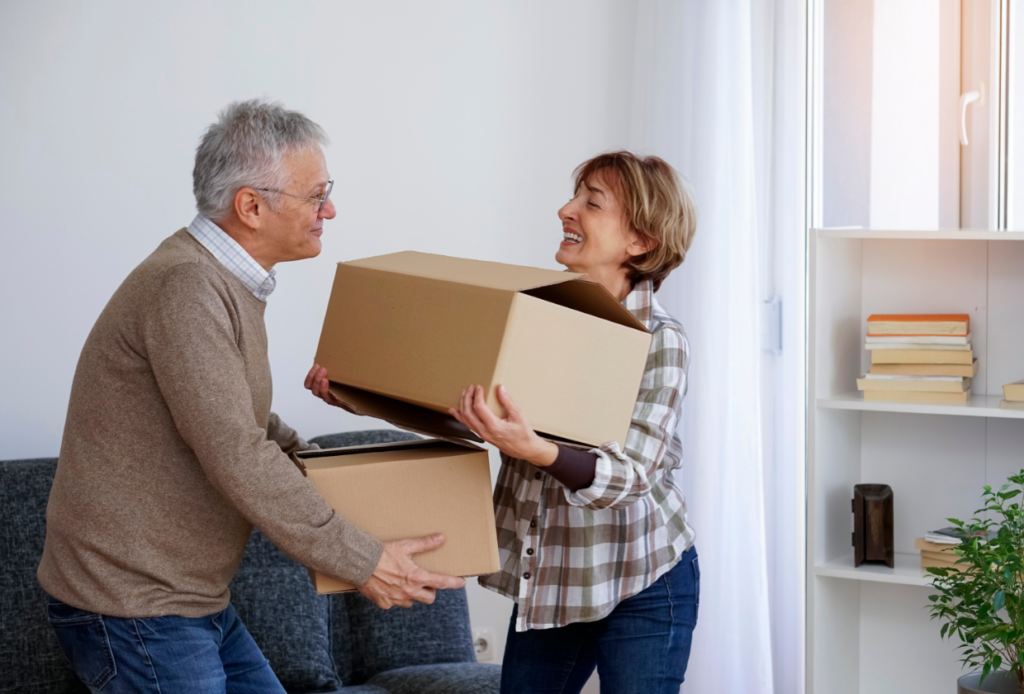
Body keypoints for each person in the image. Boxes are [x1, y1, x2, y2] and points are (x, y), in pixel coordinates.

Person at [37, 99, 464, 694]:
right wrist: (364, 561)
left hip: (186, 599)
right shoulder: (187, 287)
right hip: (133, 605)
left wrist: (333, 470)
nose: (330, 210)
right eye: (317, 195)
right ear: (251, 207)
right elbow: (237, 452)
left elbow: (246, 421)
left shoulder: (223, 283)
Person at [456, 151, 698, 693]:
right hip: (557, 583)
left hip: (644, 578)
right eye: (574, 196)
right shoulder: (535, 317)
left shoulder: (661, 341)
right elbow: (489, 416)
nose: (566, 210)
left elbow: (631, 475)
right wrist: (364, 394)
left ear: (641, 241)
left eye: (590, 202)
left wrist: (535, 448)